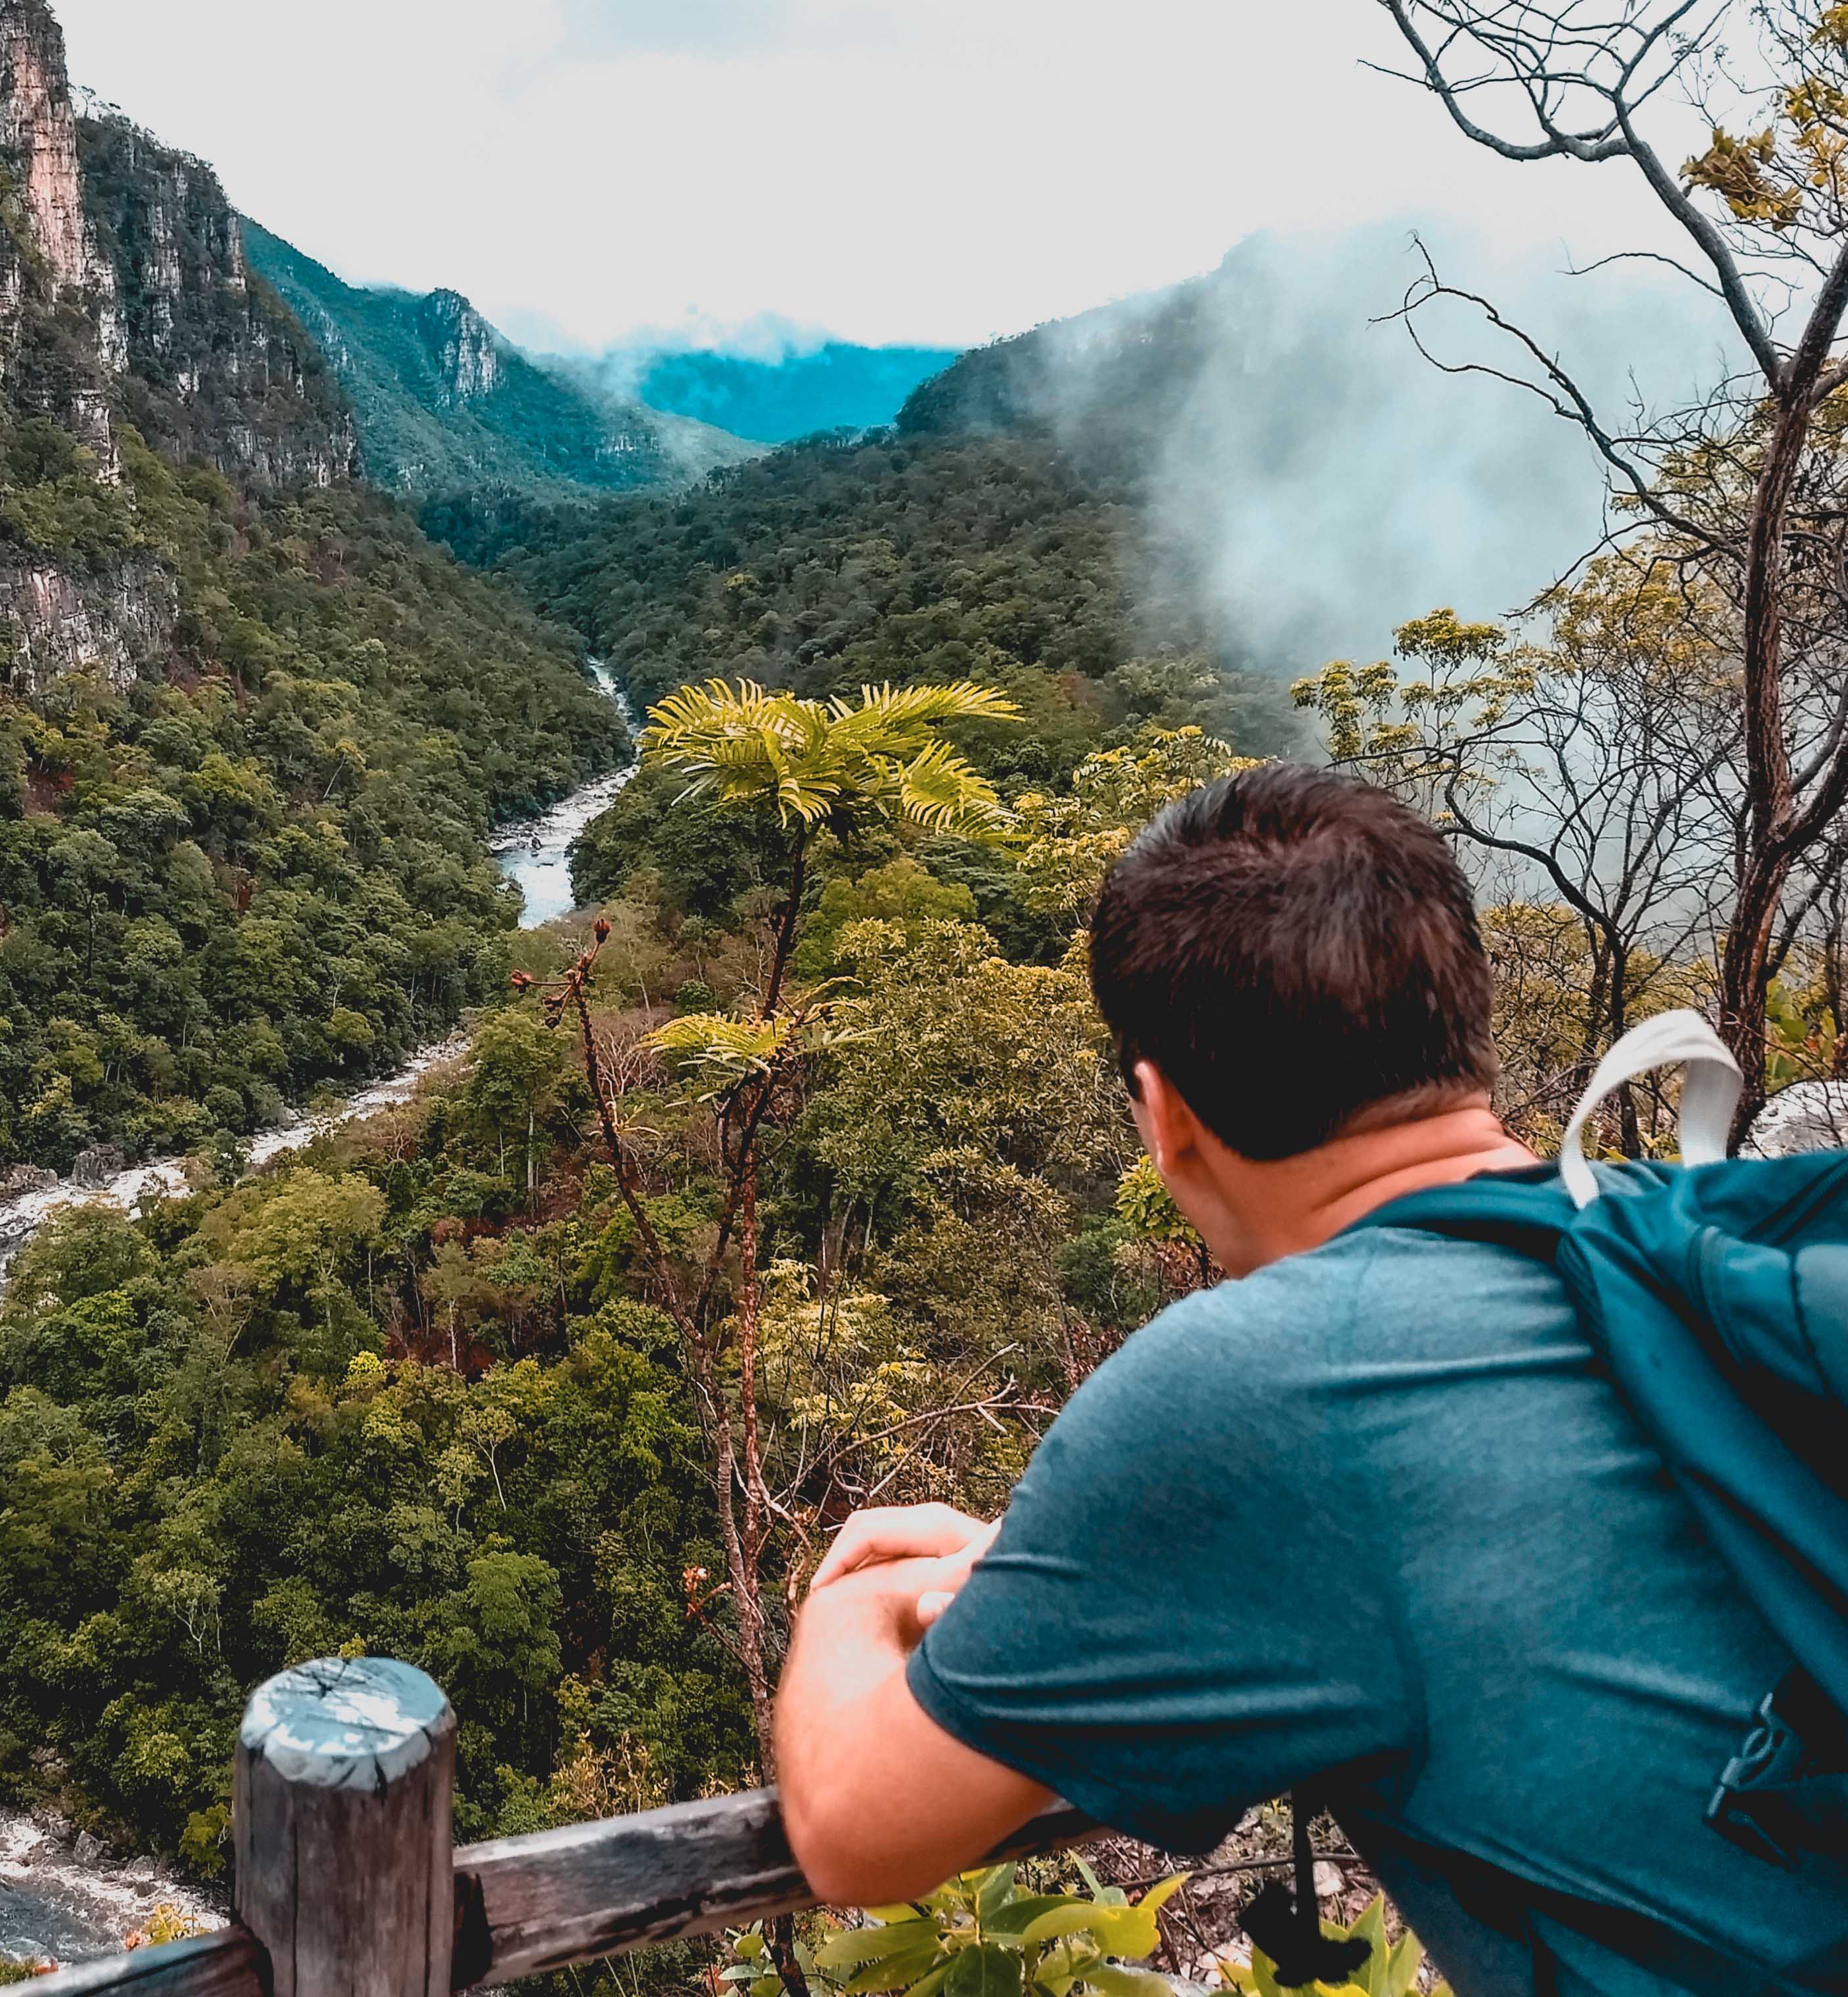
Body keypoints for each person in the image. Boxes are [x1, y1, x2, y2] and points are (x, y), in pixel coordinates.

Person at [771, 763, 1848, 1995]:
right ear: (1461, 1026)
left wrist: (860, 1597)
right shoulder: (1688, 1253)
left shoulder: (1260, 1390)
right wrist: (1046, 1578)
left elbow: (852, 1825)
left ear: (1163, 1117)